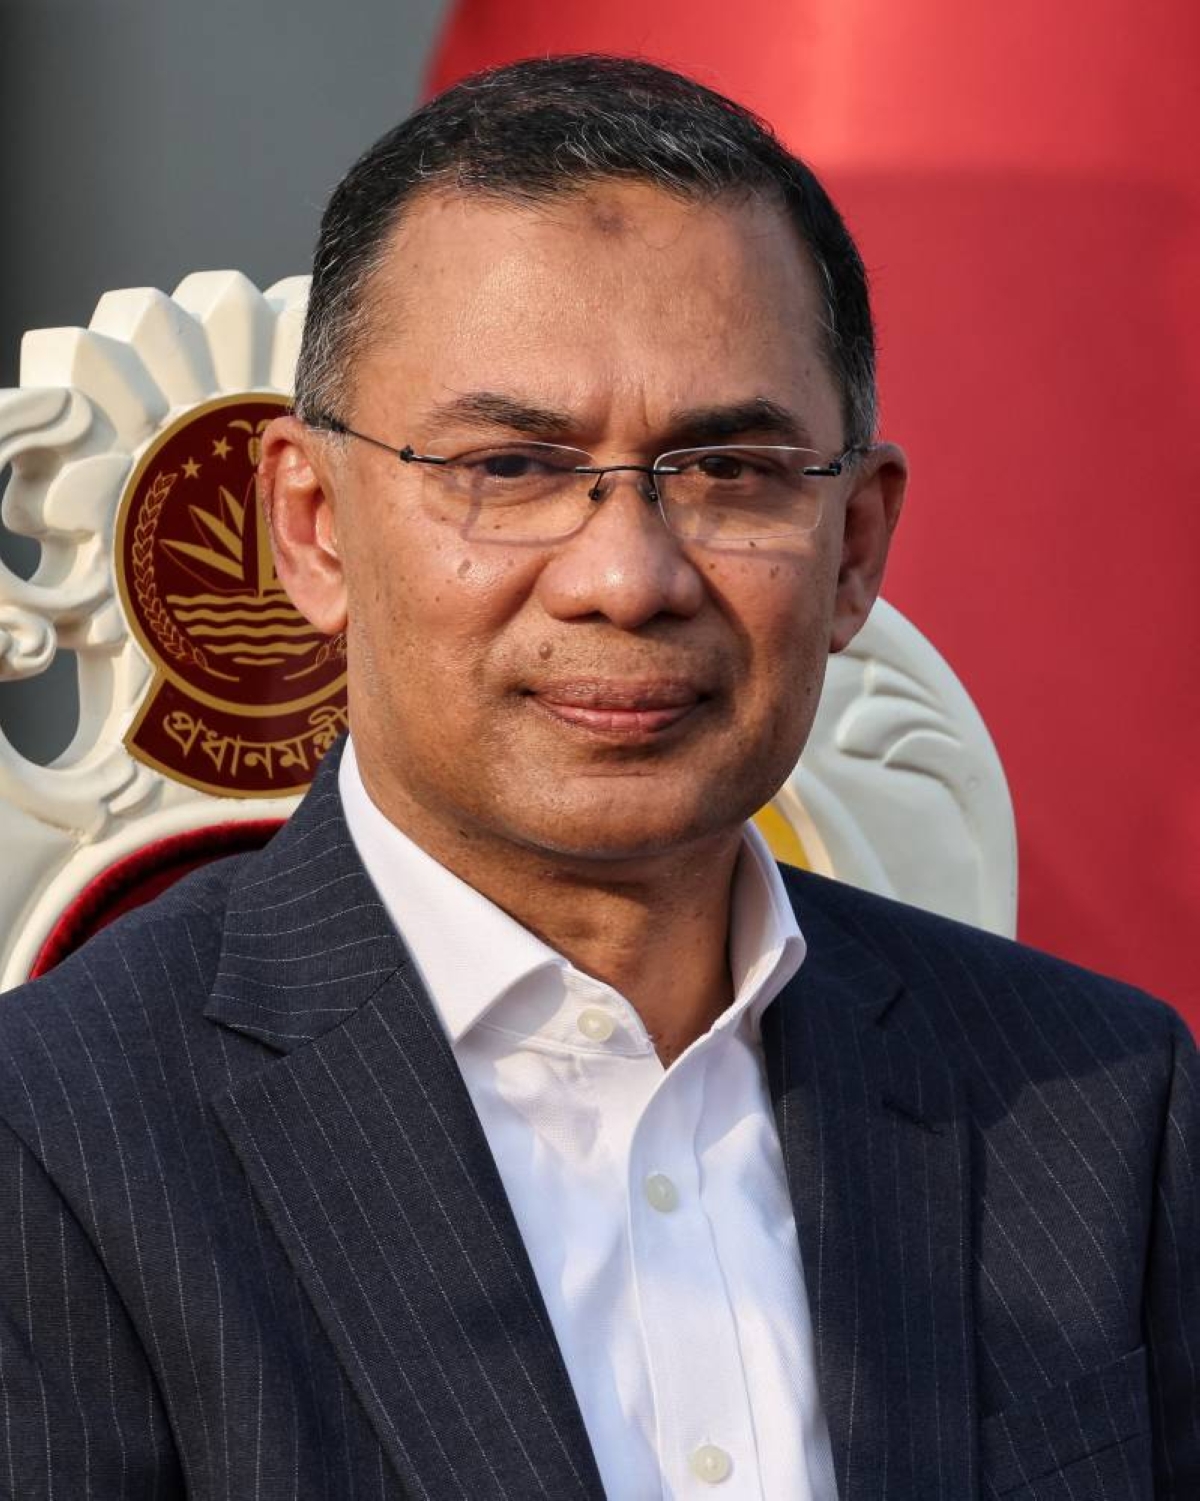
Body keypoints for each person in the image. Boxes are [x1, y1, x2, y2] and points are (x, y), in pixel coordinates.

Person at [0, 54, 1196, 1501]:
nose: (628, 576)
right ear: (311, 526)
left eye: (731, 469)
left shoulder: (1104, 1106)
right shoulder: (55, 1149)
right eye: (509, 467)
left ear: (859, 548)